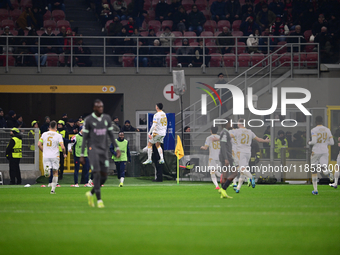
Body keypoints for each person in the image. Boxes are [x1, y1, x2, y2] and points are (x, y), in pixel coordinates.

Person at [80, 99, 121, 208]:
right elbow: (84, 138)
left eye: (102, 106)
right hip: (93, 150)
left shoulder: (107, 118)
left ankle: (90, 193)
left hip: (103, 150)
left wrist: (117, 147)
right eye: (98, 107)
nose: (101, 108)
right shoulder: (88, 120)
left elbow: (111, 134)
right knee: (97, 173)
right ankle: (99, 200)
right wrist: (82, 154)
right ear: (94, 108)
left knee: (104, 176)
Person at [230, 119, 269, 193]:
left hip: (240, 152)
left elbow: (229, 136)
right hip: (248, 152)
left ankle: (251, 177)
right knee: (243, 171)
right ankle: (238, 188)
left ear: (239, 124)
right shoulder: (250, 131)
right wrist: (265, 140)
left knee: (241, 169)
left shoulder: (237, 131)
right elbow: (259, 140)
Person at [38, 121, 66, 194]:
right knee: (56, 172)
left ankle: (47, 171)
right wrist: (64, 153)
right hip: (55, 156)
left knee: (49, 173)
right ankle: (53, 190)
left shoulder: (44, 134)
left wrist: (43, 151)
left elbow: (39, 144)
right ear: (56, 127)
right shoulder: (58, 135)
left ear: (49, 126)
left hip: (46, 155)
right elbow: (62, 147)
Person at [308, 116, 334, 195]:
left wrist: (309, 143)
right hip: (325, 151)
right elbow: (332, 142)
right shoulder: (327, 130)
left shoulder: (314, 130)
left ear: (316, 122)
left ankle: (315, 190)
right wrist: (325, 143)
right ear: (322, 121)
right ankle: (329, 172)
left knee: (314, 170)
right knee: (324, 168)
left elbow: (314, 141)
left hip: (316, 151)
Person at [218, 118, 235, 199]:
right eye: (230, 122)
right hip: (227, 156)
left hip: (225, 156)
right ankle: (223, 188)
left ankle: (223, 193)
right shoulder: (225, 133)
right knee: (235, 173)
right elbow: (223, 145)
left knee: (225, 173)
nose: (231, 124)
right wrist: (226, 158)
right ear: (227, 123)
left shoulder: (225, 132)